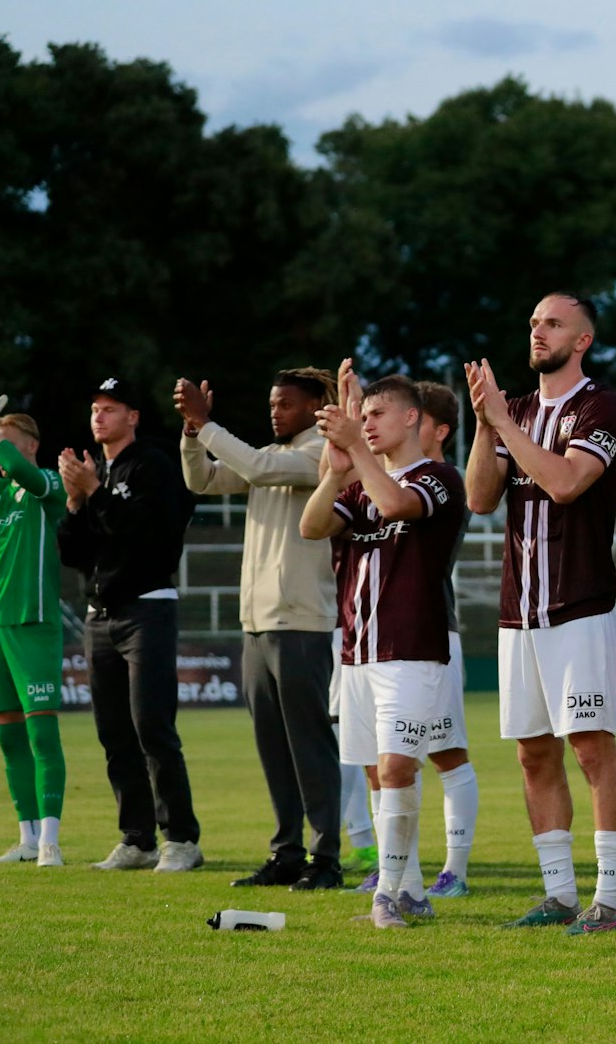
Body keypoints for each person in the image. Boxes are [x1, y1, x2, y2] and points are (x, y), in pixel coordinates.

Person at [466, 293, 616, 933]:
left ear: (583, 339)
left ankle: (610, 901)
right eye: (533, 322)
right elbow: (482, 498)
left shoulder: (603, 405)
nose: (538, 332)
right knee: (534, 754)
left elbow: (565, 483)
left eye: (553, 323)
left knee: (591, 747)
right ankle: (558, 894)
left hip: (579, 605)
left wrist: (505, 428)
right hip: (520, 612)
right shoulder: (512, 411)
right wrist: (488, 424)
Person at [301, 370, 465, 928]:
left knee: (398, 769)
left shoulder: (441, 478)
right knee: (378, 775)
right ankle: (412, 888)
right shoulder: (357, 481)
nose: (365, 424)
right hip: (356, 654)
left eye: (375, 416)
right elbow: (311, 525)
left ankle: (387, 895)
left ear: (411, 417)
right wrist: (336, 471)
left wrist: (354, 452)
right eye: (361, 417)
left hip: (411, 651)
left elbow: (395, 504)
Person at [177, 367, 343, 891]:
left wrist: (207, 425)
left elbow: (253, 465)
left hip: (301, 623)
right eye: (272, 403)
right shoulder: (272, 458)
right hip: (257, 625)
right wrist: (191, 434)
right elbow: (201, 479)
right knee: (274, 749)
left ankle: (326, 859)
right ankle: (287, 854)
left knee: (309, 747)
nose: (276, 412)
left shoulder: (323, 452)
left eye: (287, 404)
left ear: (318, 405)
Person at [57, 377, 202, 873]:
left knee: (152, 727)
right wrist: (76, 502)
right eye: (95, 407)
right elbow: (73, 553)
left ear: (133, 416)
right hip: (100, 615)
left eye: (111, 408)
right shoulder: (97, 470)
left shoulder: (152, 465)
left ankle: (181, 839)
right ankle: (137, 839)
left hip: (147, 607)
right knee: (114, 732)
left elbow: (146, 535)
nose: (99, 416)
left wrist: (94, 490)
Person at [0, 391, 68, 867]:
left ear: (31, 445)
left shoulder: (45, 484)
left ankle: (51, 841)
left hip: (33, 624)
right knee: (7, 738)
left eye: (7, 442)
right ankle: (26, 837)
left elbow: (17, 469)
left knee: (41, 737)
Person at [416, 380, 482, 898]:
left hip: (429, 631)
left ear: (438, 430)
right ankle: (399, 870)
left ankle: (454, 870)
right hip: (366, 639)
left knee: (445, 752)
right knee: (379, 760)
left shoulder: (444, 481)